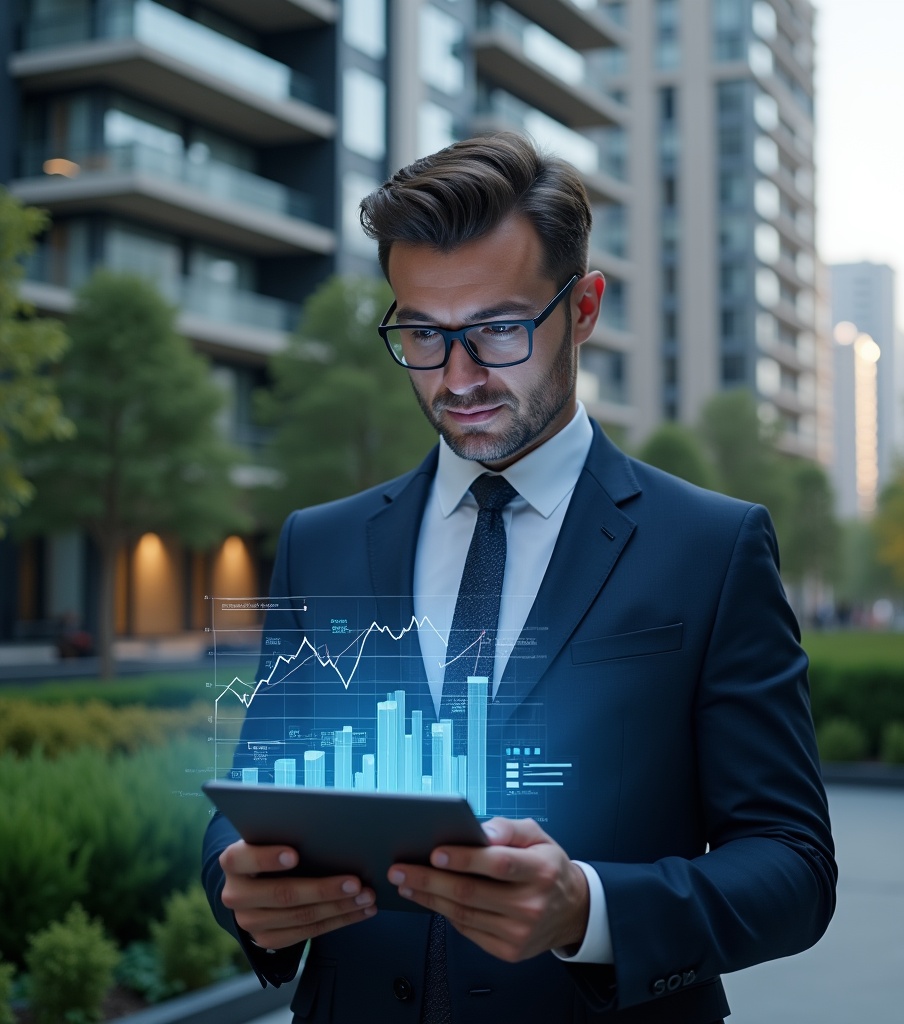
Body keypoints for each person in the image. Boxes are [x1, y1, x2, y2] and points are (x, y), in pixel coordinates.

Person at [202, 132, 836, 1023]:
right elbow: (255, 797)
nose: (458, 378)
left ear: (583, 309)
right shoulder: (322, 543)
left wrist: (588, 908)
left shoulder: (713, 547)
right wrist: (242, 883)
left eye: (498, 329)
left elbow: (791, 865)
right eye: (422, 332)